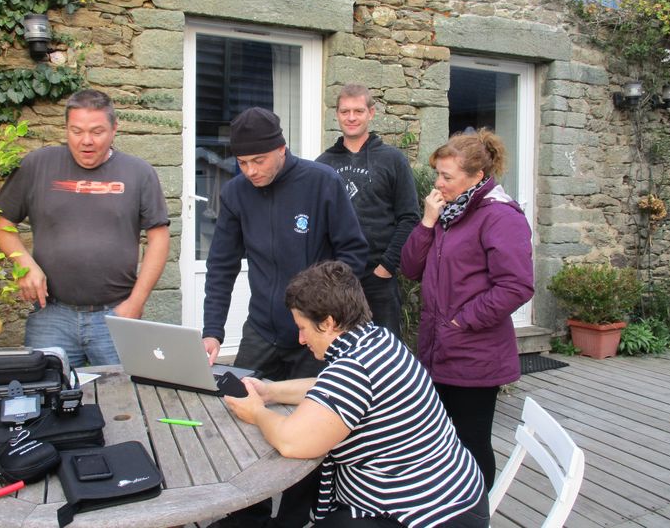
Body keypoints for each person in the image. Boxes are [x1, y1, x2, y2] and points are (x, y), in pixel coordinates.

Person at [225, 260, 488, 528]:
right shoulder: (376, 339)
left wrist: (257, 412)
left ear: (328, 323)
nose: (301, 339)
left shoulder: (355, 368)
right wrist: (269, 392)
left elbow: (292, 441)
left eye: (303, 328)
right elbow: (329, 389)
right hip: (453, 493)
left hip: (432, 514)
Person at [201, 107, 368, 528]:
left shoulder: (322, 182)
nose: (250, 171)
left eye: (258, 161)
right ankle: (247, 515)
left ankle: (292, 519)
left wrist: (320, 315)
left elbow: (353, 254)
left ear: (281, 149)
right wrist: (212, 330)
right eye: (242, 163)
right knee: (240, 413)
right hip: (261, 329)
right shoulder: (236, 193)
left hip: (313, 335)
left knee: (307, 429)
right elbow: (221, 264)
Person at [0, 89, 170, 367]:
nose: (86, 141)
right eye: (76, 131)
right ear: (66, 128)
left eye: (97, 132)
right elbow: (2, 224)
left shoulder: (138, 172)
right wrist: (24, 266)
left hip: (116, 314)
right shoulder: (37, 165)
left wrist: (136, 302)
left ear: (114, 128)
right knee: (49, 390)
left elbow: (159, 239)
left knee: (123, 392)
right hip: (50, 315)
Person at [400, 129, 534, 490]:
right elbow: (410, 268)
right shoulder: (448, 212)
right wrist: (427, 221)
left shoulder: (500, 216)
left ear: (477, 176)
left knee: (471, 443)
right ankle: (448, 505)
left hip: (475, 353)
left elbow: (516, 286)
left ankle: (476, 511)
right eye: (437, 174)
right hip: (438, 348)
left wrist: (462, 320)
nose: (438, 183)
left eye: (447, 176)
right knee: (441, 442)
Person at [317, 84, 419, 337]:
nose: (351, 117)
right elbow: (317, 223)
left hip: (379, 279)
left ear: (371, 113)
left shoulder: (393, 160)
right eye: (345, 111)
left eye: (358, 111)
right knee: (338, 348)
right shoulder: (323, 165)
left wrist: (386, 267)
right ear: (337, 114)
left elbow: (409, 217)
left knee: (385, 349)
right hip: (336, 279)